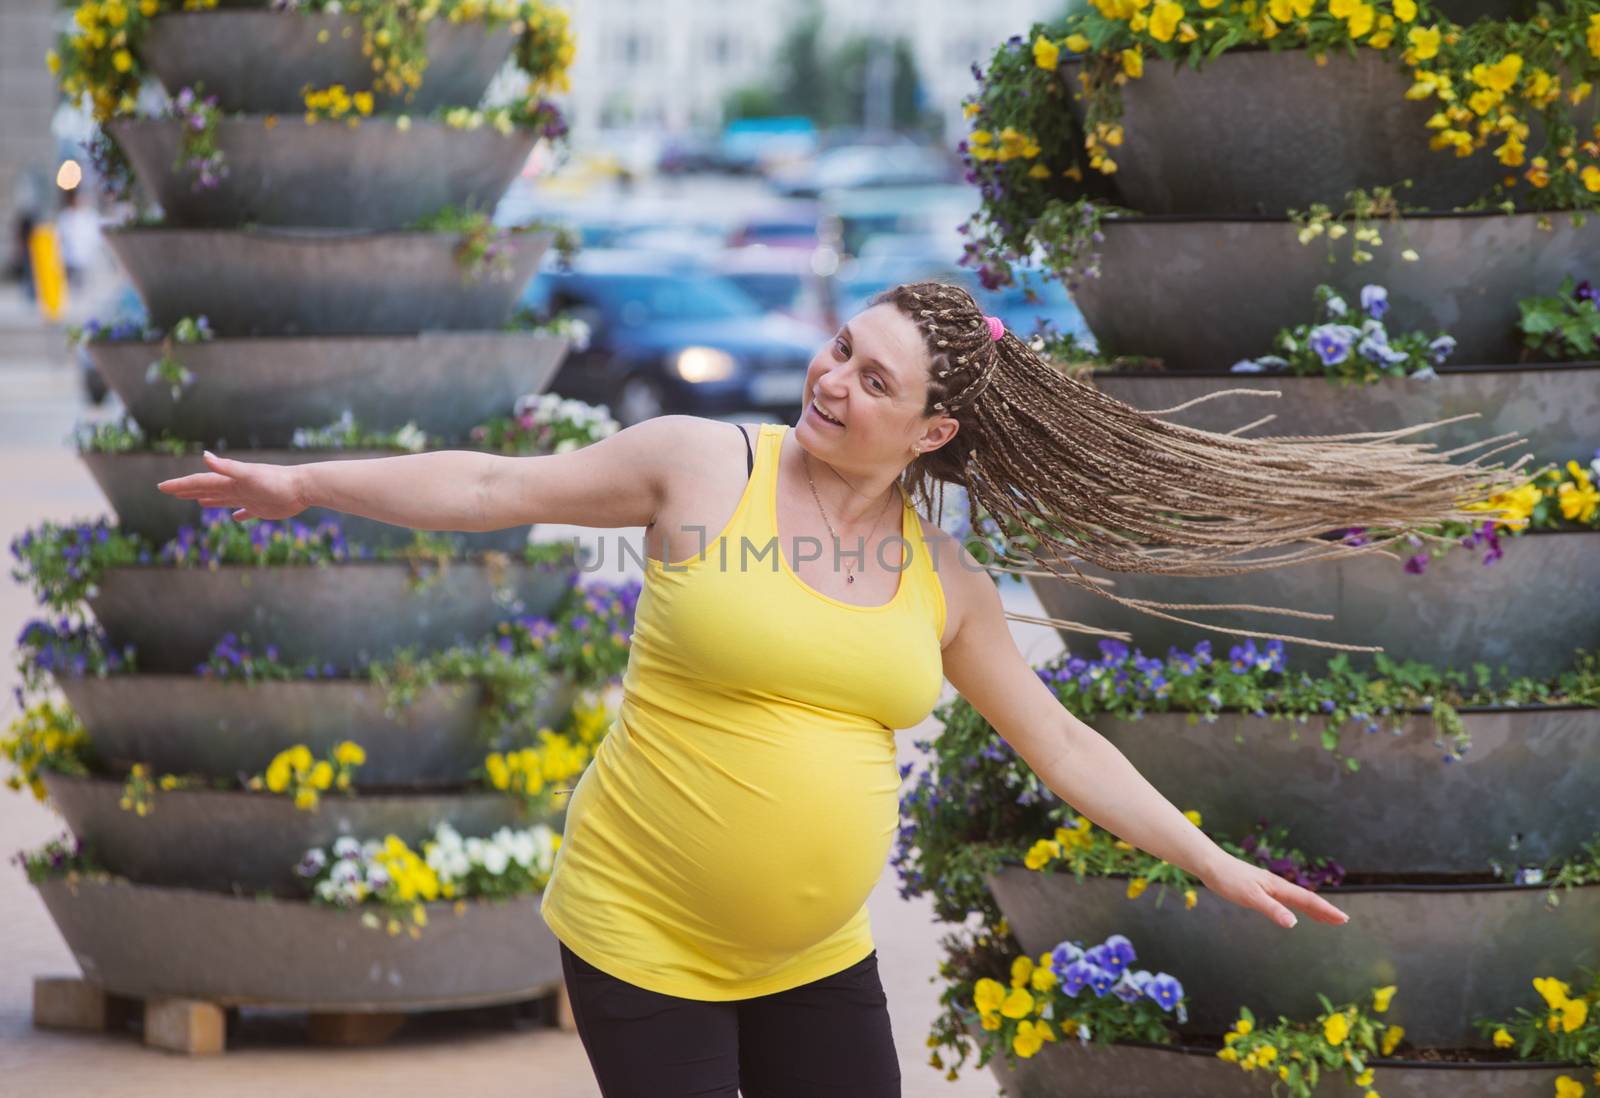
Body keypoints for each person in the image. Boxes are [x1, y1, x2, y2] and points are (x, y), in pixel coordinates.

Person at [157, 280, 1529, 1096]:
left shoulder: (947, 581)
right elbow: (493, 486)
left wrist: (1210, 857)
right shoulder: (705, 463)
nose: (832, 380)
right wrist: (301, 483)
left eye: (873, 378)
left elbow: (1061, 744)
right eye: (838, 349)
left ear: (932, 429)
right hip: (641, 937)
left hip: (812, 957)